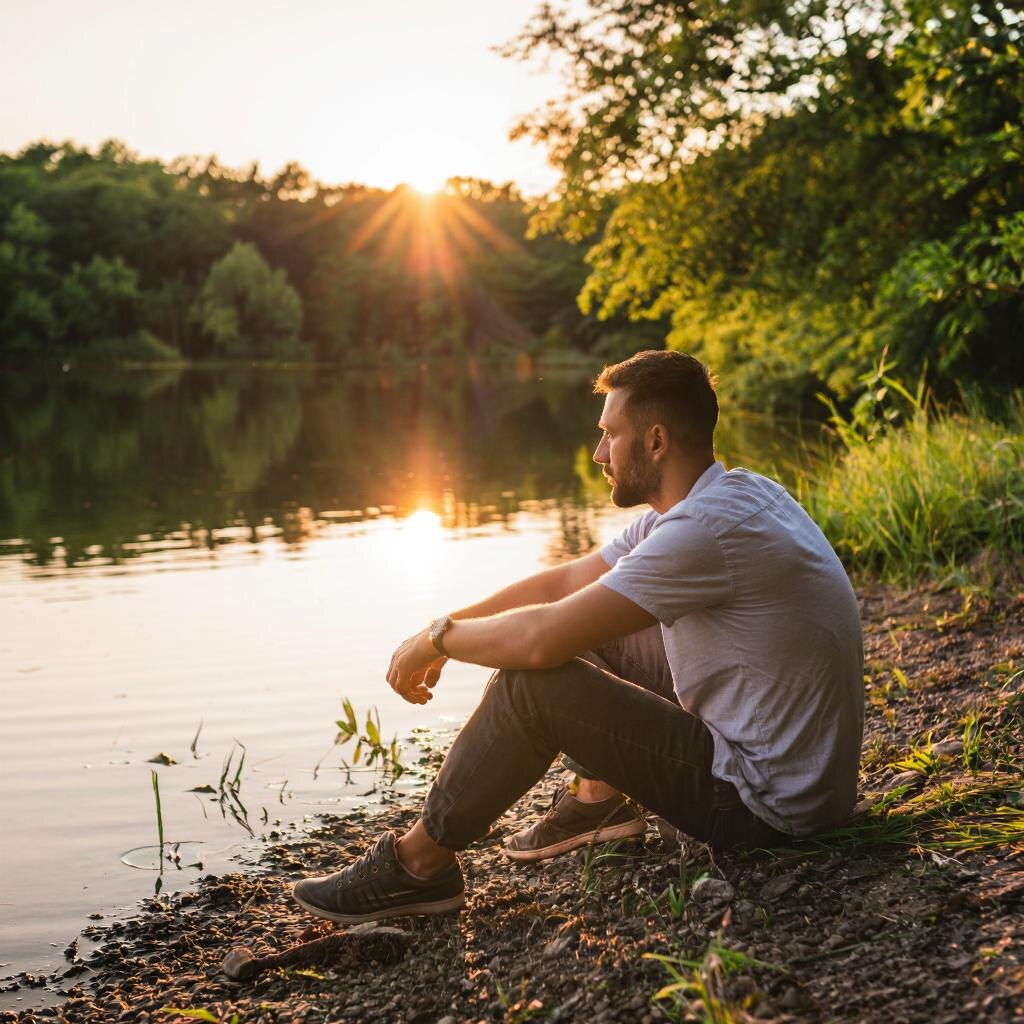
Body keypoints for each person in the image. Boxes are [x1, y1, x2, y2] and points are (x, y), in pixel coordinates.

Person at [292, 350, 864, 925]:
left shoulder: (702, 531)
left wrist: (440, 641)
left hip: (765, 809)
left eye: (610, 434)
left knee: (532, 688)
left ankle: (417, 866)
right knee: (589, 631)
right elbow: (565, 583)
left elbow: (539, 641)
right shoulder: (725, 498)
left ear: (656, 441)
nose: (598, 453)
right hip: (798, 779)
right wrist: (441, 623)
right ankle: (598, 803)